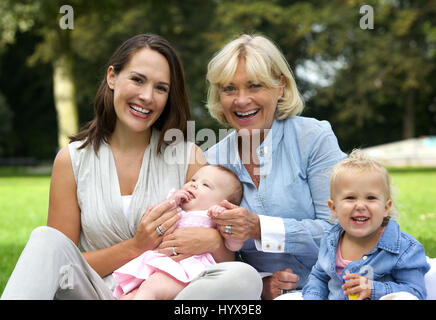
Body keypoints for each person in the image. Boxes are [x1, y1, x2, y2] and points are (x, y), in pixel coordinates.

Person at [1, 34, 261, 300]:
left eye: (161, 88)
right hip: (91, 292)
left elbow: (217, 254)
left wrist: (216, 243)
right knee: (46, 240)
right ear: (112, 77)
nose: (147, 96)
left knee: (244, 277)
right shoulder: (72, 160)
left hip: (162, 293)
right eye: (137, 80)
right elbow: (60, 264)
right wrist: (137, 246)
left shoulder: (188, 157)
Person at [204, 33, 346, 299]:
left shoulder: (313, 138)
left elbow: (341, 230)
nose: (241, 100)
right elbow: (209, 252)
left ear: (280, 86)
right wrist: (262, 283)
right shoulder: (212, 162)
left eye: (255, 86)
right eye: (229, 88)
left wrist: (260, 228)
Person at [302, 149, 431, 300]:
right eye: (350, 197)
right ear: (334, 208)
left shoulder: (405, 249)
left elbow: (416, 292)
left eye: (371, 198)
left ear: (386, 208)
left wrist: (373, 288)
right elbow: (319, 278)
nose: (360, 205)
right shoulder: (331, 241)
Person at [113, 165, 244, 299]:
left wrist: (225, 218)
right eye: (193, 180)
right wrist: (171, 202)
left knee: (151, 288)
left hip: (190, 270)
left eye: (205, 185)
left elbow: (234, 246)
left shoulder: (216, 217)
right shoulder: (176, 208)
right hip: (160, 263)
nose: (194, 185)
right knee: (129, 295)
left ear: (224, 202)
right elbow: (153, 221)